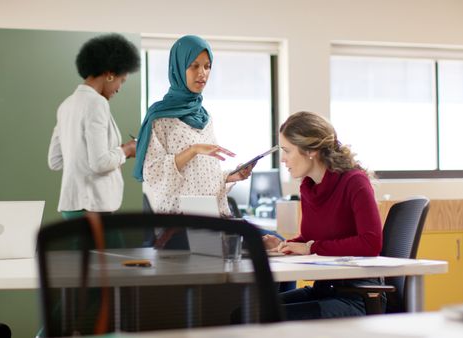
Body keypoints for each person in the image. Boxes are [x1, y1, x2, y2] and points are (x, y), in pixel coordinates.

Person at [265, 111, 384, 320]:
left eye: (286, 150)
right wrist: (283, 245)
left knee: (269, 316)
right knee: (250, 312)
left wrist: (310, 247)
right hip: (324, 290)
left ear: (310, 150)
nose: (282, 159)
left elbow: (371, 243)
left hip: (358, 296)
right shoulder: (308, 187)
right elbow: (313, 238)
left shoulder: (355, 182)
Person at [133, 35, 252, 219]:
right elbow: (153, 173)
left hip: (213, 219)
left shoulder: (205, 117)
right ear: (179, 68)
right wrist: (193, 150)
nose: (202, 73)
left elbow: (201, 174)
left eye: (207, 66)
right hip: (179, 224)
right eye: (194, 66)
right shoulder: (160, 118)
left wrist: (229, 177)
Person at [48, 33, 140, 220]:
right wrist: (127, 150)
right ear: (109, 74)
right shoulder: (97, 103)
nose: (119, 88)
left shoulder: (66, 105)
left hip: (71, 206)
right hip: (94, 208)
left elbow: (55, 161)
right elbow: (100, 163)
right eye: (121, 81)